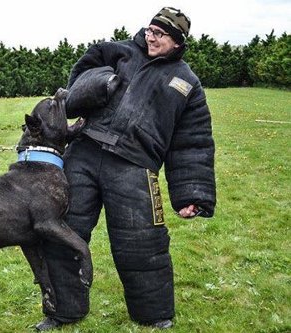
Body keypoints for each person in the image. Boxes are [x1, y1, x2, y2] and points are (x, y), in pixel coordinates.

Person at [36, 7, 216, 330]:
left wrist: (193, 194)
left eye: (160, 34)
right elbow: (79, 76)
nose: (150, 36)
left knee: (143, 243)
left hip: (136, 166)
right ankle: (62, 311)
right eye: (149, 30)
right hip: (85, 151)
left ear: (177, 42)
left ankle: (154, 315)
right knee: (64, 233)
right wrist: (93, 84)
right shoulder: (116, 50)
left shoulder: (187, 84)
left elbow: (193, 142)